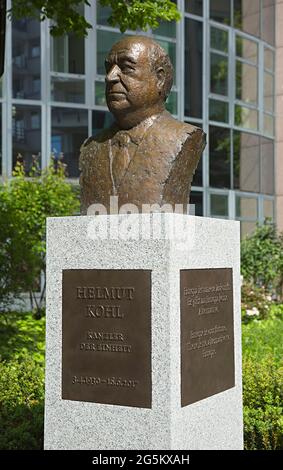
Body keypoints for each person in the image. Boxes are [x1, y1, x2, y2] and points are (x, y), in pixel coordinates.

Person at [79, 35, 206, 214]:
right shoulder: (90, 148)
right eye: (109, 69)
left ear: (159, 79)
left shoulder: (182, 139)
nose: (110, 77)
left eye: (127, 67)